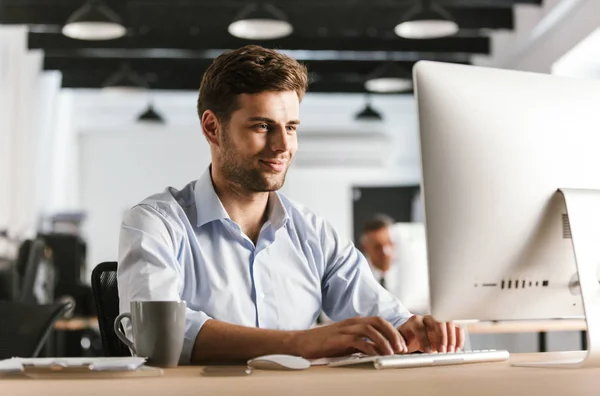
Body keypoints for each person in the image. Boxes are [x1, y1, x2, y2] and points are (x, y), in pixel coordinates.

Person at [117, 45, 464, 365]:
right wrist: (301, 343)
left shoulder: (313, 233)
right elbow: (158, 338)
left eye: (291, 127)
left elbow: (387, 318)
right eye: (262, 126)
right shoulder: (155, 223)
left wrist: (415, 329)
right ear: (212, 128)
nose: (283, 145)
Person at [360, 214, 396, 290]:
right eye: (377, 247)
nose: (385, 251)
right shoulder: (358, 277)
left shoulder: (411, 274)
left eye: (389, 243)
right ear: (365, 247)